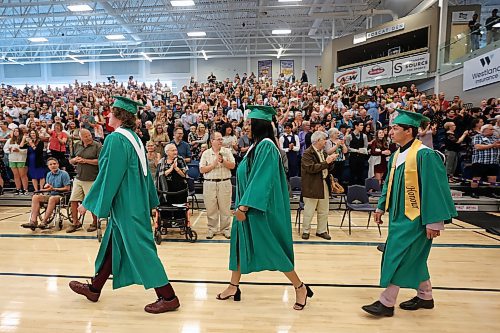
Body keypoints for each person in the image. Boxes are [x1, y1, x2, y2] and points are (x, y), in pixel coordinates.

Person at [68, 96, 180, 314]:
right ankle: (94, 287)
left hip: (127, 206)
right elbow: (145, 175)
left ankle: (168, 296)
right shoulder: (134, 138)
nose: (108, 115)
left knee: (141, 249)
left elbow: (109, 175)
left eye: (110, 112)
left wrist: (89, 203)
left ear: (118, 115)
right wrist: (149, 201)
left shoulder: (116, 140)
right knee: (114, 245)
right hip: (133, 203)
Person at [216, 105, 314, 311]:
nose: (246, 128)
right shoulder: (257, 146)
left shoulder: (267, 146)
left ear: (260, 125)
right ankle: (233, 285)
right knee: (239, 245)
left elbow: (262, 178)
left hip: (259, 209)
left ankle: (300, 287)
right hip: (248, 205)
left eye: (250, 124)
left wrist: (243, 207)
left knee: (273, 248)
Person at [362, 110, 457, 317]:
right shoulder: (397, 155)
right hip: (398, 216)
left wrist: (435, 222)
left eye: (395, 128)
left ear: (409, 131)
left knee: (400, 255)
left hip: (417, 218)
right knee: (415, 257)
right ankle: (425, 296)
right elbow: (389, 183)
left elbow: (435, 189)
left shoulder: (425, 155)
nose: (391, 132)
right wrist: (380, 206)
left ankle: (386, 302)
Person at [301, 131, 337, 240]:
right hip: (312, 185)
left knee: (324, 209)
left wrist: (331, 162)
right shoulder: (307, 153)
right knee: (309, 210)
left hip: (323, 183)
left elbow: (327, 167)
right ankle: (306, 230)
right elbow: (311, 168)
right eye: (324, 139)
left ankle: (321, 230)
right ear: (317, 140)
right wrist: (327, 162)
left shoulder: (323, 152)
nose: (326, 141)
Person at [199, 132, 235, 239]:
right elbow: (202, 169)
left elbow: (232, 165)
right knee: (211, 208)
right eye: (218, 139)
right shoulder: (206, 153)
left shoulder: (227, 151)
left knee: (225, 207)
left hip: (224, 182)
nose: (221, 141)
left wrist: (223, 161)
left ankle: (226, 229)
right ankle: (212, 229)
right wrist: (213, 165)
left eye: (221, 139)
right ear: (212, 141)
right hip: (209, 183)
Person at [67, 129, 102, 233]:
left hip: (92, 178)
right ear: (81, 137)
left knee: (91, 201)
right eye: (86, 136)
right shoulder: (76, 145)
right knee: (73, 200)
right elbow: (71, 160)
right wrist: (74, 161)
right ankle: (75, 222)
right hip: (78, 177)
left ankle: (95, 222)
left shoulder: (97, 146)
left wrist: (85, 161)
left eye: (89, 135)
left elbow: (100, 161)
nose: (89, 137)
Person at [21, 158, 71, 230]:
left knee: (52, 198)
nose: (53, 165)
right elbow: (49, 188)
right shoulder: (48, 174)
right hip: (51, 194)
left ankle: (44, 222)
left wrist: (54, 189)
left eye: (54, 164)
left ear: (58, 165)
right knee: (35, 197)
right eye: (50, 164)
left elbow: (67, 188)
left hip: (61, 195)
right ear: (48, 166)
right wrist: (42, 190)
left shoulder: (64, 174)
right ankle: (33, 221)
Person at [469, 124, 499, 199]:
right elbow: (478, 147)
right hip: (480, 161)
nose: (493, 130)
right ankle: (474, 192)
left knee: (492, 178)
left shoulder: (495, 138)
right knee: (476, 178)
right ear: (485, 130)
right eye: (491, 129)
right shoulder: (477, 137)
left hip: (493, 161)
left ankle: (491, 192)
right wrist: (492, 145)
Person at [4, 128, 29, 195]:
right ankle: (18, 189)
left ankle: (25, 189)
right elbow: (5, 149)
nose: (15, 132)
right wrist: (10, 150)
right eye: (14, 131)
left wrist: (19, 151)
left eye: (17, 131)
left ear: (20, 132)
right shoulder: (10, 140)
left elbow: (27, 150)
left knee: (22, 175)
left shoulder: (24, 140)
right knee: (16, 175)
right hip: (12, 159)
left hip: (21, 159)